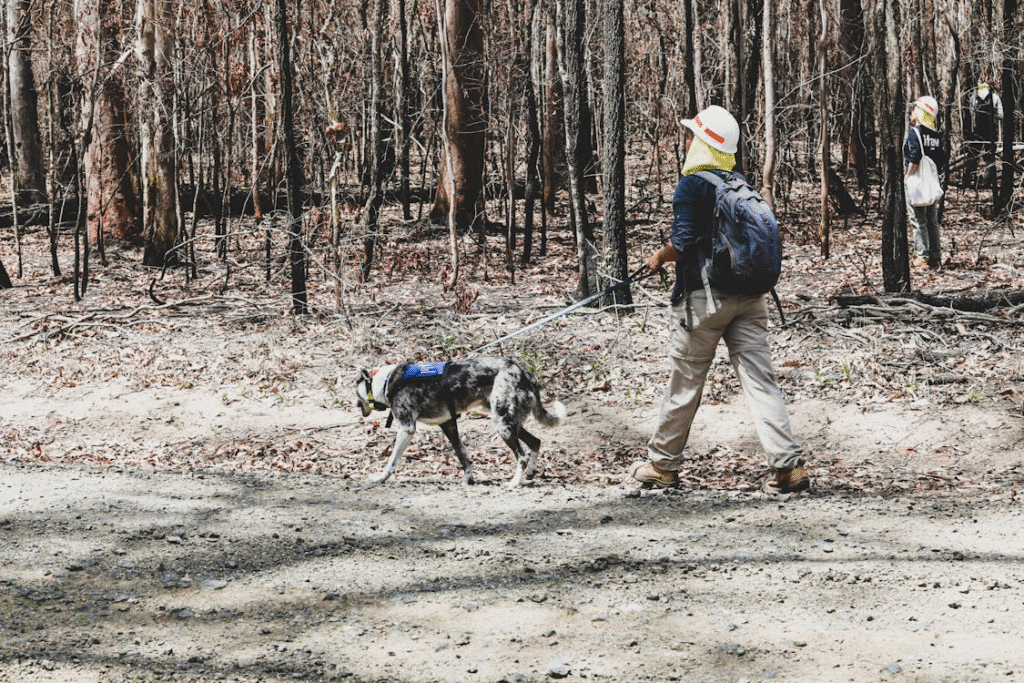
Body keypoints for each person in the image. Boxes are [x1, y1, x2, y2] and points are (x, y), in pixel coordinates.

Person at [629, 105, 808, 495]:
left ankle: (662, 465)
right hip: (752, 298)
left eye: (693, 135)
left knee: (685, 382)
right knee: (761, 382)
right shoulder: (740, 182)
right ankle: (787, 468)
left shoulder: (692, 183)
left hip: (704, 302)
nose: (688, 141)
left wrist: (659, 257)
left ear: (705, 143)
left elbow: (683, 241)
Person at [903, 95, 947, 270]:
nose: (912, 113)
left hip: (916, 182)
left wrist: (908, 176)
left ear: (922, 113)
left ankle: (921, 257)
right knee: (932, 219)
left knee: (918, 220)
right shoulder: (935, 135)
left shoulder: (915, 133)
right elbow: (941, 158)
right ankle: (936, 257)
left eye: (915, 109)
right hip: (931, 182)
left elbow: (914, 158)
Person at [964, 80, 1003, 189]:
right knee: (989, 157)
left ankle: (967, 180)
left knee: (973, 156)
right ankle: (987, 181)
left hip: (977, 131)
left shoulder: (973, 97)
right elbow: (1001, 115)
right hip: (990, 131)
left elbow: (971, 114)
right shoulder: (995, 97)